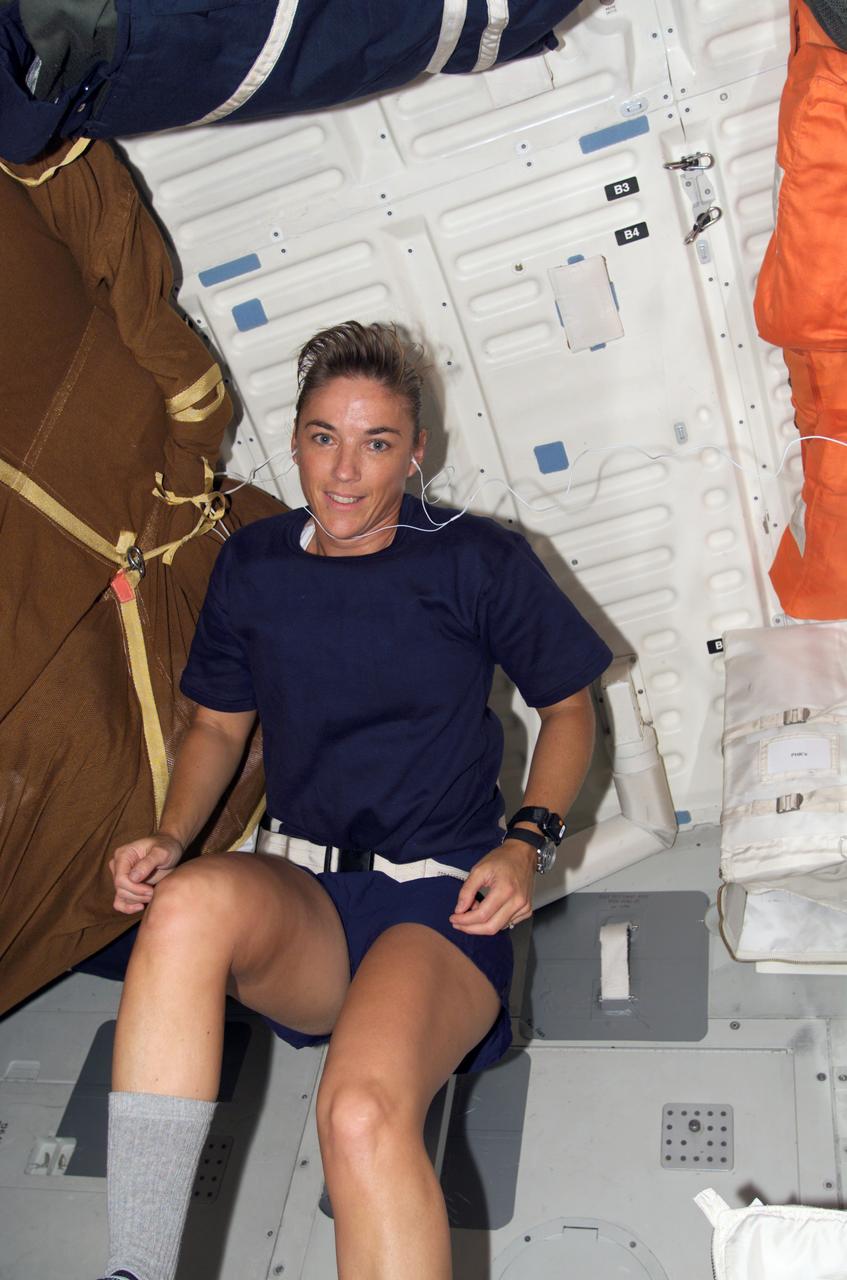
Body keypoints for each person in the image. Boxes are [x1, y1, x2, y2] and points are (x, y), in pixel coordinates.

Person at [98, 321, 612, 1280]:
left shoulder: (476, 560)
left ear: (416, 453)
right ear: (294, 441)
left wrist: (526, 841)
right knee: (188, 902)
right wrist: (170, 835)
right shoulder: (253, 565)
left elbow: (568, 707)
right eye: (323, 437)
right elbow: (218, 728)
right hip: (307, 900)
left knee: (360, 1114)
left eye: (376, 443)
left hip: (441, 901)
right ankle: (134, 1268)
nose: (344, 471)